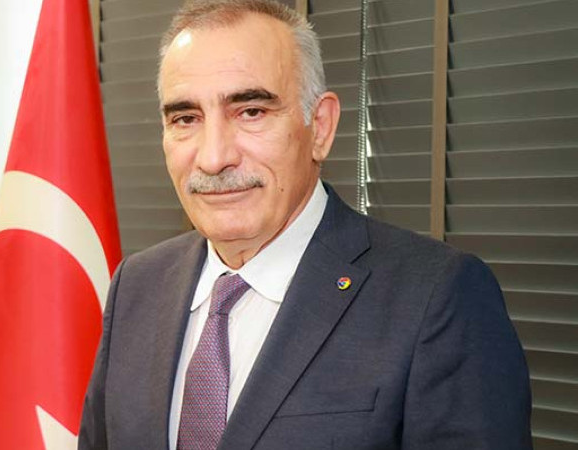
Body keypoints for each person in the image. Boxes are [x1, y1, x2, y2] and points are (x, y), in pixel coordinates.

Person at [79, 1, 532, 449]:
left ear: (320, 127)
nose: (214, 157)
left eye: (251, 112)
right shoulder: (137, 285)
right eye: (185, 118)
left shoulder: (435, 297)